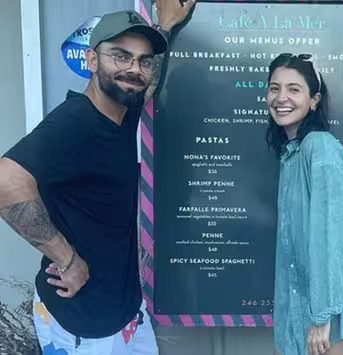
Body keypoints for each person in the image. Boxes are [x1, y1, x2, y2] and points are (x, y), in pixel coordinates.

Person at [0, 1, 196, 353]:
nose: (134, 69)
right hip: (81, 325)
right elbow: (5, 181)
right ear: (92, 60)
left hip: (125, 316)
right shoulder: (76, 122)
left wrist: (165, 27)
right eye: (120, 56)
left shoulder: (123, 112)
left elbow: (143, 86)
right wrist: (68, 260)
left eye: (143, 60)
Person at [266, 53, 343, 355]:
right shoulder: (293, 153)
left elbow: (336, 235)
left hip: (336, 311)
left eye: (294, 89)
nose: (282, 97)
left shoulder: (320, 148)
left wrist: (322, 316)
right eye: (274, 88)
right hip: (309, 305)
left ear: (314, 100)